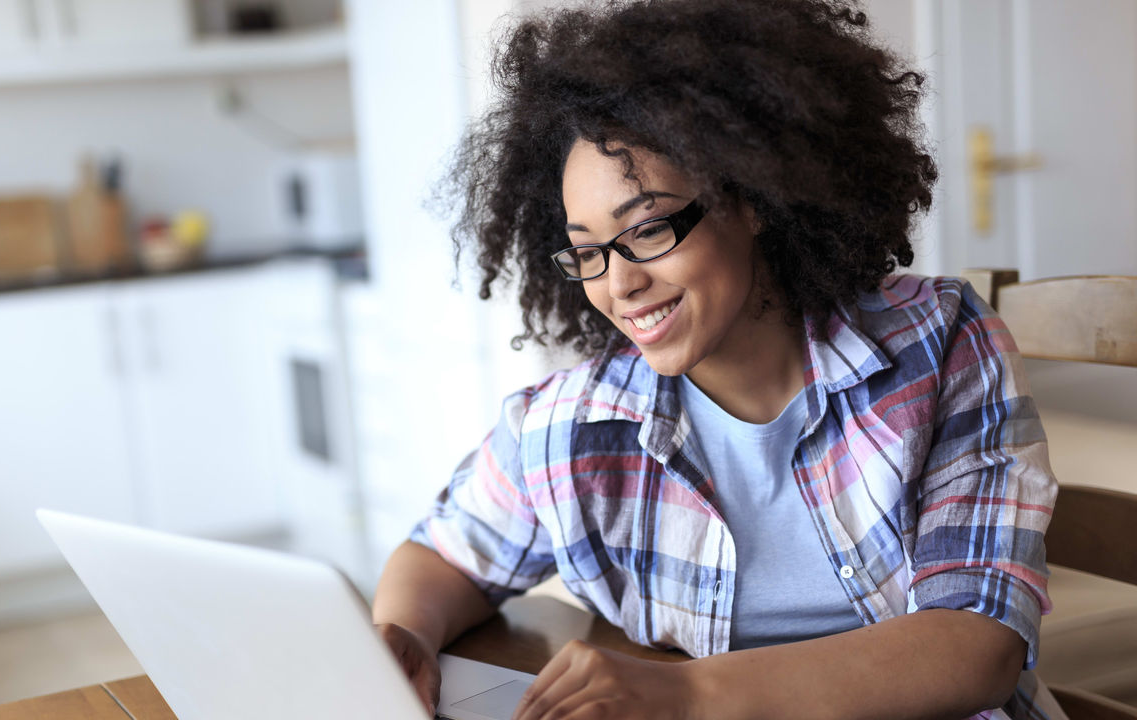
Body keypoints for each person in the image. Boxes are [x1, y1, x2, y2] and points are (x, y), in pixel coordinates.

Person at [372, 1, 1063, 718]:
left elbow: (979, 645)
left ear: (753, 196)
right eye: (586, 250)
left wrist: (686, 694)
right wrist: (403, 635)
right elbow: (444, 556)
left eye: (647, 229)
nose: (618, 283)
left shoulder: (938, 344)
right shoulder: (573, 424)